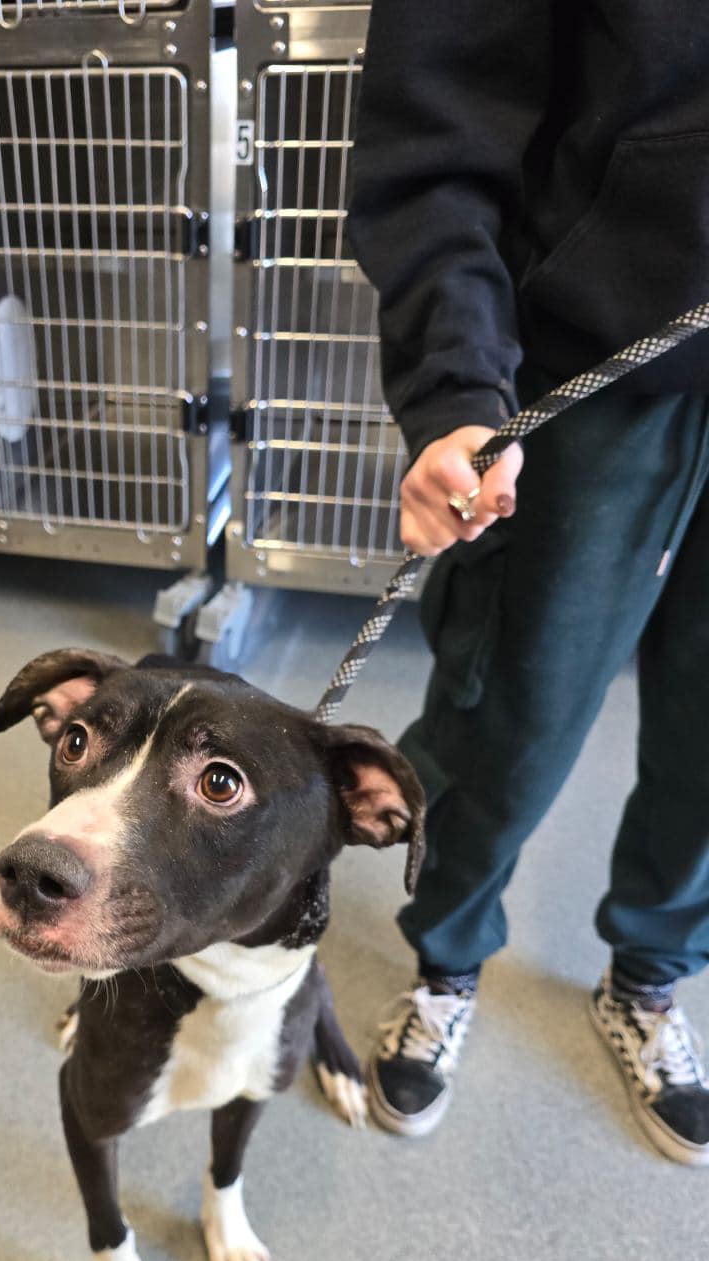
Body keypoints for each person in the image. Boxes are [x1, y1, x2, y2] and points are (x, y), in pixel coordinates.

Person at [345, 2, 709, 1163]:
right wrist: (457, 386)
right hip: (598, 354)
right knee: (508, 710)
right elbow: (439, 121)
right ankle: (446, 959)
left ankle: (649, 975)